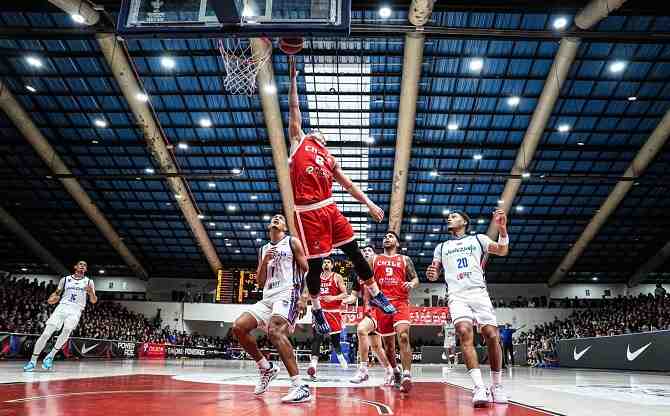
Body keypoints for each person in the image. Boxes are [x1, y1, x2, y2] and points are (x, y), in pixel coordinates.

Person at [287, 56, 395, 335]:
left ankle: (376, 292)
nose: (319, 132)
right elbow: (295, 109)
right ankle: (317, 309)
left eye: (322, 133)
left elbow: (348, 185)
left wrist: (369, 203)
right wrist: (293, 79)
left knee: (353, 251)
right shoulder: (299, 142)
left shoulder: (328, 157)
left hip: (330, 208)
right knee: (314, 264)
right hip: (308, 211)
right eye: (317, 130)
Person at [427, 209, 510, 407]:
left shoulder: (478, 240)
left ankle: (496, 386)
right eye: (448, 217)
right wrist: (431, 274)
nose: (449, 218)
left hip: (478, 292)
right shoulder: (441, 246)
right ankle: (479, 387)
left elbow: (502, 250)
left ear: (464, 221)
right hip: (456, 295)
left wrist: (503, 230)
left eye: (454, 216)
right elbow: (434, 271)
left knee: (491, 335)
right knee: (464, 332)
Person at [231, 214, 311, 403]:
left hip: (288, 293)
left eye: (280, 218)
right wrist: (265, 262)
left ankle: (300, 386)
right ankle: (266, 368)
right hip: (268, 297)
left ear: (284, 226)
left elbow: (307, 270)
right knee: (238, 327)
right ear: (268, 226)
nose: (276, 219)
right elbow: (259, 281)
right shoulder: (263, 249)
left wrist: (305, 296)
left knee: (275, 332)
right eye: (274, 218)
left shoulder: (292, 242)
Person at [365, 232, 419, 392]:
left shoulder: (404, 259)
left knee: (403, 336)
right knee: (388, 347)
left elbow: (416, 279)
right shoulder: (373, 259)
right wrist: (367, 304)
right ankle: (396, 371)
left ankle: (407, 375)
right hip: (382, 304)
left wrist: (411, 284)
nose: (387, 238)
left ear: (397, 242)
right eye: (385, 237)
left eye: (391, 236)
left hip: (401, 302)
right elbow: (368, 282)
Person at [24, 260, 97, 371]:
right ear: (75, 267)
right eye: (80, 264)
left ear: (86, 269)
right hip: (62, 307)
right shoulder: (65, 279)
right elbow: (57, 293)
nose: (82, 266)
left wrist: (91, 292)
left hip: (76, 309)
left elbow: (93, 300)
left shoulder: (89, 282)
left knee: (67, 329)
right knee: (46, 334)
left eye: (85, 265)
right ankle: (33, 361)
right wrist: (52, 298)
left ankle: (50, 356)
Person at [344, 245, 395, 385]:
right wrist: (339, 300)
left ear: (375, 255)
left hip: (380, 310)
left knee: (361, 329)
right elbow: (353, 297)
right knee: (376, 347)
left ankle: (363, 370)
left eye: (369, 251)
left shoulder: (381, 270)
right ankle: (391, 370)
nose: (366, 253)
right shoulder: (358, 274)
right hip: (367, 312)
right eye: (364, 251)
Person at [307, 257, 349, 380]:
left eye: (328, 262)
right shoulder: (316, 277)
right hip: (319, 310)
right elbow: (310, 293)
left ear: (332, 265)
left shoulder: (337, 277)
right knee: (317, 338)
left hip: (333, 312)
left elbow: (345, 294)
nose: (326, 264)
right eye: (324, 262)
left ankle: (340, 356)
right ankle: (313, 366)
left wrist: (333, 298)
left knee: (335, 341)